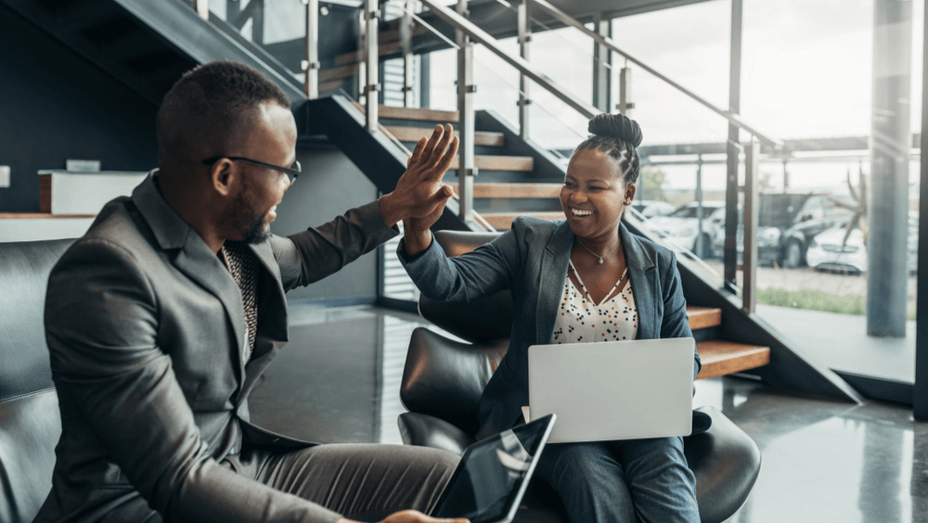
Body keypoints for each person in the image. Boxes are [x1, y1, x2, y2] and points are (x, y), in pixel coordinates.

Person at [35, 60, 467, 523]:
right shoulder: (106, 276)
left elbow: (302, 256)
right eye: (285, 170)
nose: (287, 185)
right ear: (225, 176)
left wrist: (396, 207)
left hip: (236, 465)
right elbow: (177, 476)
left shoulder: (233, 236)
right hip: (139, 505)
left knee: (446, 475)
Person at [398, 113, 703, 523]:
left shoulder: (658, 265)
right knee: (594, 483)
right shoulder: (530, 241)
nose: (576, 197)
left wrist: (668, 382)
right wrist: (417, 230)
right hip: (549, 418)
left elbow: (684, 356)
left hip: (634, 417)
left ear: (628, 194)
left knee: (668, 477)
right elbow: (449, 283)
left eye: (595, 187)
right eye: (570, 183)